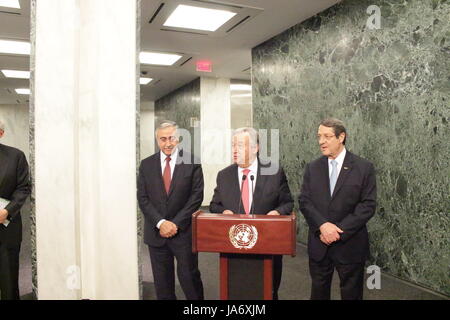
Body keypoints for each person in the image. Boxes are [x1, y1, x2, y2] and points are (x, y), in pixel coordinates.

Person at [210, 127, 293, 300]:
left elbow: (288, 203)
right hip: (233, 247)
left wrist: (277, 212)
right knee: (236, 291)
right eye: (233, 145)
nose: (234, 149)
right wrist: (223, 211)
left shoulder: (274, 172)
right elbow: (214, 205)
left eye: (240, 145)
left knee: (267, 291)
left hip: (267, 244)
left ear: (255, 148)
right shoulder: (224, 175)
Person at [299, 118, 377, 300]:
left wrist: (338, 231)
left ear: (341, 137)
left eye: (327, 136)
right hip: (320, 243)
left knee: (352, 294)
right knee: (318, 293)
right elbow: (304, 201)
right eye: (319, 136)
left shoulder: (364, 167)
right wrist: (323, 226)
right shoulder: (313, 168)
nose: (321, 141)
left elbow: (367, 205)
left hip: (350, 244)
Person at [137, 121, 204, 300]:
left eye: (171, 138)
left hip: (183, 233)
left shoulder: (192, 163)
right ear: (157, 140)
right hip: (156, 234)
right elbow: (143, 199)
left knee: (190, 279)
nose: (167, 143)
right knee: (163, 285)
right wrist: (161, 223)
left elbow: (196, 198)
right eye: (163, 139)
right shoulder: (146, 165)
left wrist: (175, 224)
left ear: (178, 139)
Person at [0, 120, 31, 300]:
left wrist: (7, 211)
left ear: (1, 133)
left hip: (6, 229)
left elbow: (23, 188)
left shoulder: (15, 156)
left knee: (8, 282)